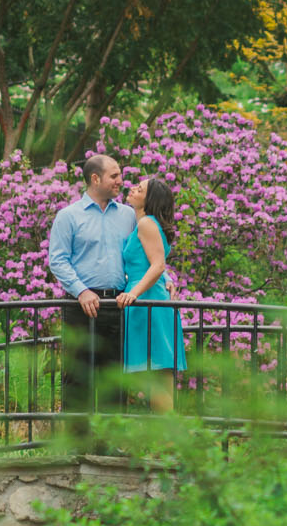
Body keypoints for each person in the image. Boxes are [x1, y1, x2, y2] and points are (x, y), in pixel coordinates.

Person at [47, 153, 139, 419]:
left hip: (117, 304)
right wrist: (82, 290)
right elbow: (58, 260)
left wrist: (164, 281)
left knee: (115, 378)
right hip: (80, 306)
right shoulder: (68, 217)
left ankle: (111, 449)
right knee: (78, 376)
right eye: (115, 175)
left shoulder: (127, 216)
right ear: (95, 178)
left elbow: (138, 256)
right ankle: (77, 448)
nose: (121, 181)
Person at [119, 176, 186, 411]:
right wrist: (167, 280)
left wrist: (132, 294)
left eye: (140, 189)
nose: (133, 188)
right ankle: (171, 443)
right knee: (162, 379)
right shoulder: (147, 224)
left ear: (150, 200)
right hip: (154, 299)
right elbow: (157, 264)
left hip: (146, 301)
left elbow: (157, 265)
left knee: (153, 379)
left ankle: (175, 439)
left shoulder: (147, 223)